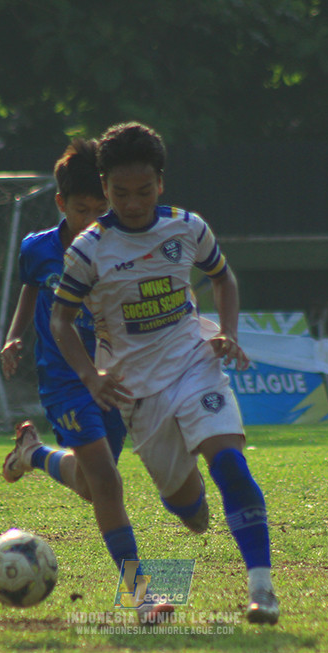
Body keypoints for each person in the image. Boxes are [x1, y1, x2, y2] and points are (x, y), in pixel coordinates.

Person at [51, 121, 279, 625]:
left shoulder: (187, 227)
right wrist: (91, 377)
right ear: (105, 187)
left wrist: (228, 332)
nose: (133, 203)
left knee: (232, 466)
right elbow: (61, 321)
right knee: (189, 510)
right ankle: (188, 504)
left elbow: (223, 278)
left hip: (195, 365)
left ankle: (262, 589)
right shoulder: (89, 249)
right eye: (121, 193)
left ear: (161, 182)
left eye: (144, 191)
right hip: (136, 391)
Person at [0, 138, 173, 624]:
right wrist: (14, 337)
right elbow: (31, 293)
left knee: (94, 486)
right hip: (66, 382)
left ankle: (31, 453)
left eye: (101, 210)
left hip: (116, 379)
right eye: (81, 210)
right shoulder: (38, 249)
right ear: (60, 204)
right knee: (108, 483)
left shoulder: (123, 245)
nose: (92, 220)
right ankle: (143, 597)